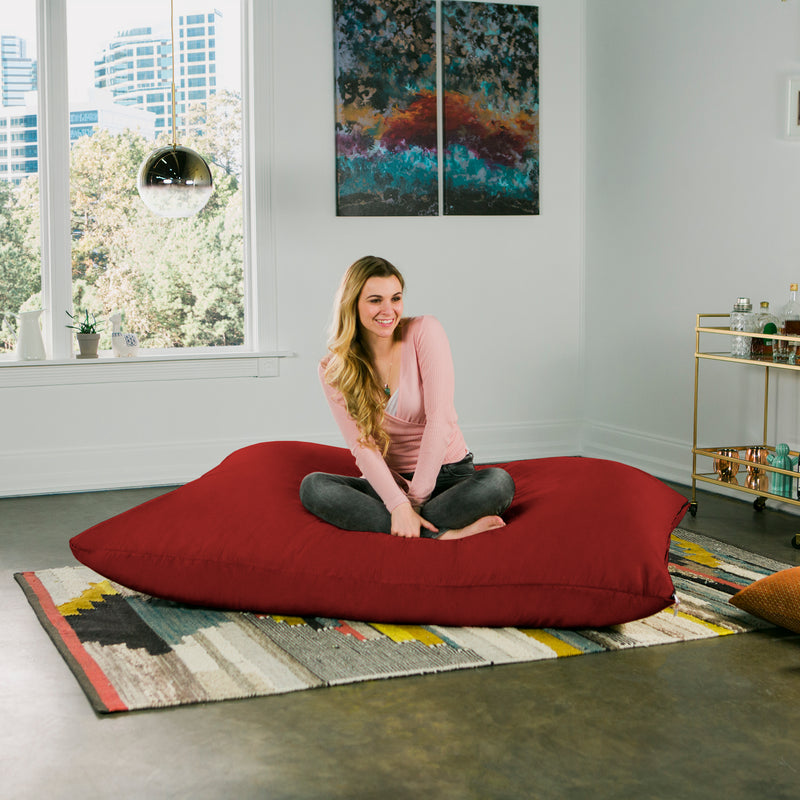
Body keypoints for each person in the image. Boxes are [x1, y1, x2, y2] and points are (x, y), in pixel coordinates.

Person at [300, 255, 515, 540]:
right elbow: (362, 447)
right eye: (375, 300)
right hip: (390, 484)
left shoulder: (424, 331)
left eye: (396, 298)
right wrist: (397, 503)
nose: (388, 310)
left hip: (448, 476)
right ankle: (442, 536)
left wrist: (410, 505)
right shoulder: (333, 368)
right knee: (314, 486)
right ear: (352, 304)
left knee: (498, 482)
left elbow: (440, 421)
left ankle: (411, 530)